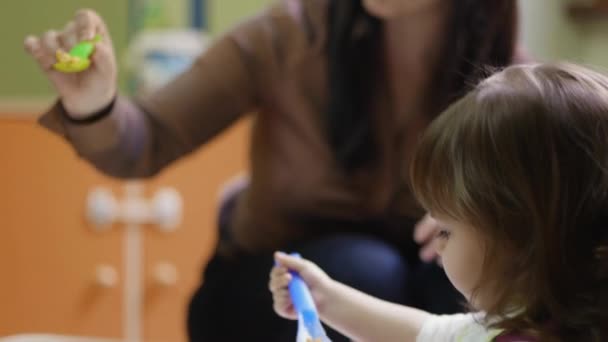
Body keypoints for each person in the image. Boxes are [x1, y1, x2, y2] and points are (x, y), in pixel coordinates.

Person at [24, 0, 521, 340]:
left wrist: (478, 217)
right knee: (368, 270)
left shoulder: (518, 87)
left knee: (472, 290)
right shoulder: (285, 36)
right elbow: (145, 142)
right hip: (269, 289)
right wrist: (94, 107)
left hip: (407, 290)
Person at [270, 63, 608, 341]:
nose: (439, 247)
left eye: (445, 230)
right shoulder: (529, 320)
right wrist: (325, 298)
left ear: (521, 235)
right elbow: (429, 334)